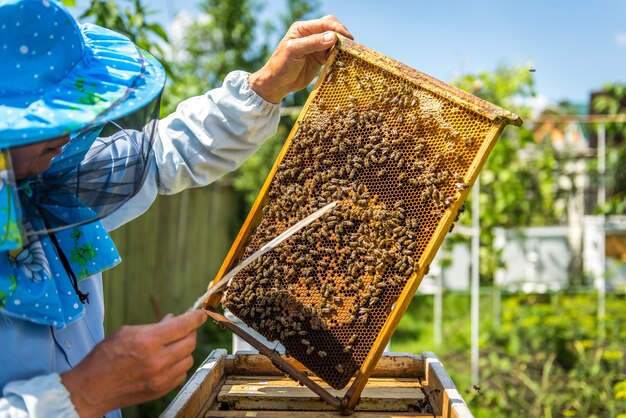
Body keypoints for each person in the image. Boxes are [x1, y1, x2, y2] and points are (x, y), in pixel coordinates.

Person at [0, 0, 352, 416]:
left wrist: (265, 86)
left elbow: (163, 153)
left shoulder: (47, 177)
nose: (67, 131)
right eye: (42, 117)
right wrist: (85, 392)